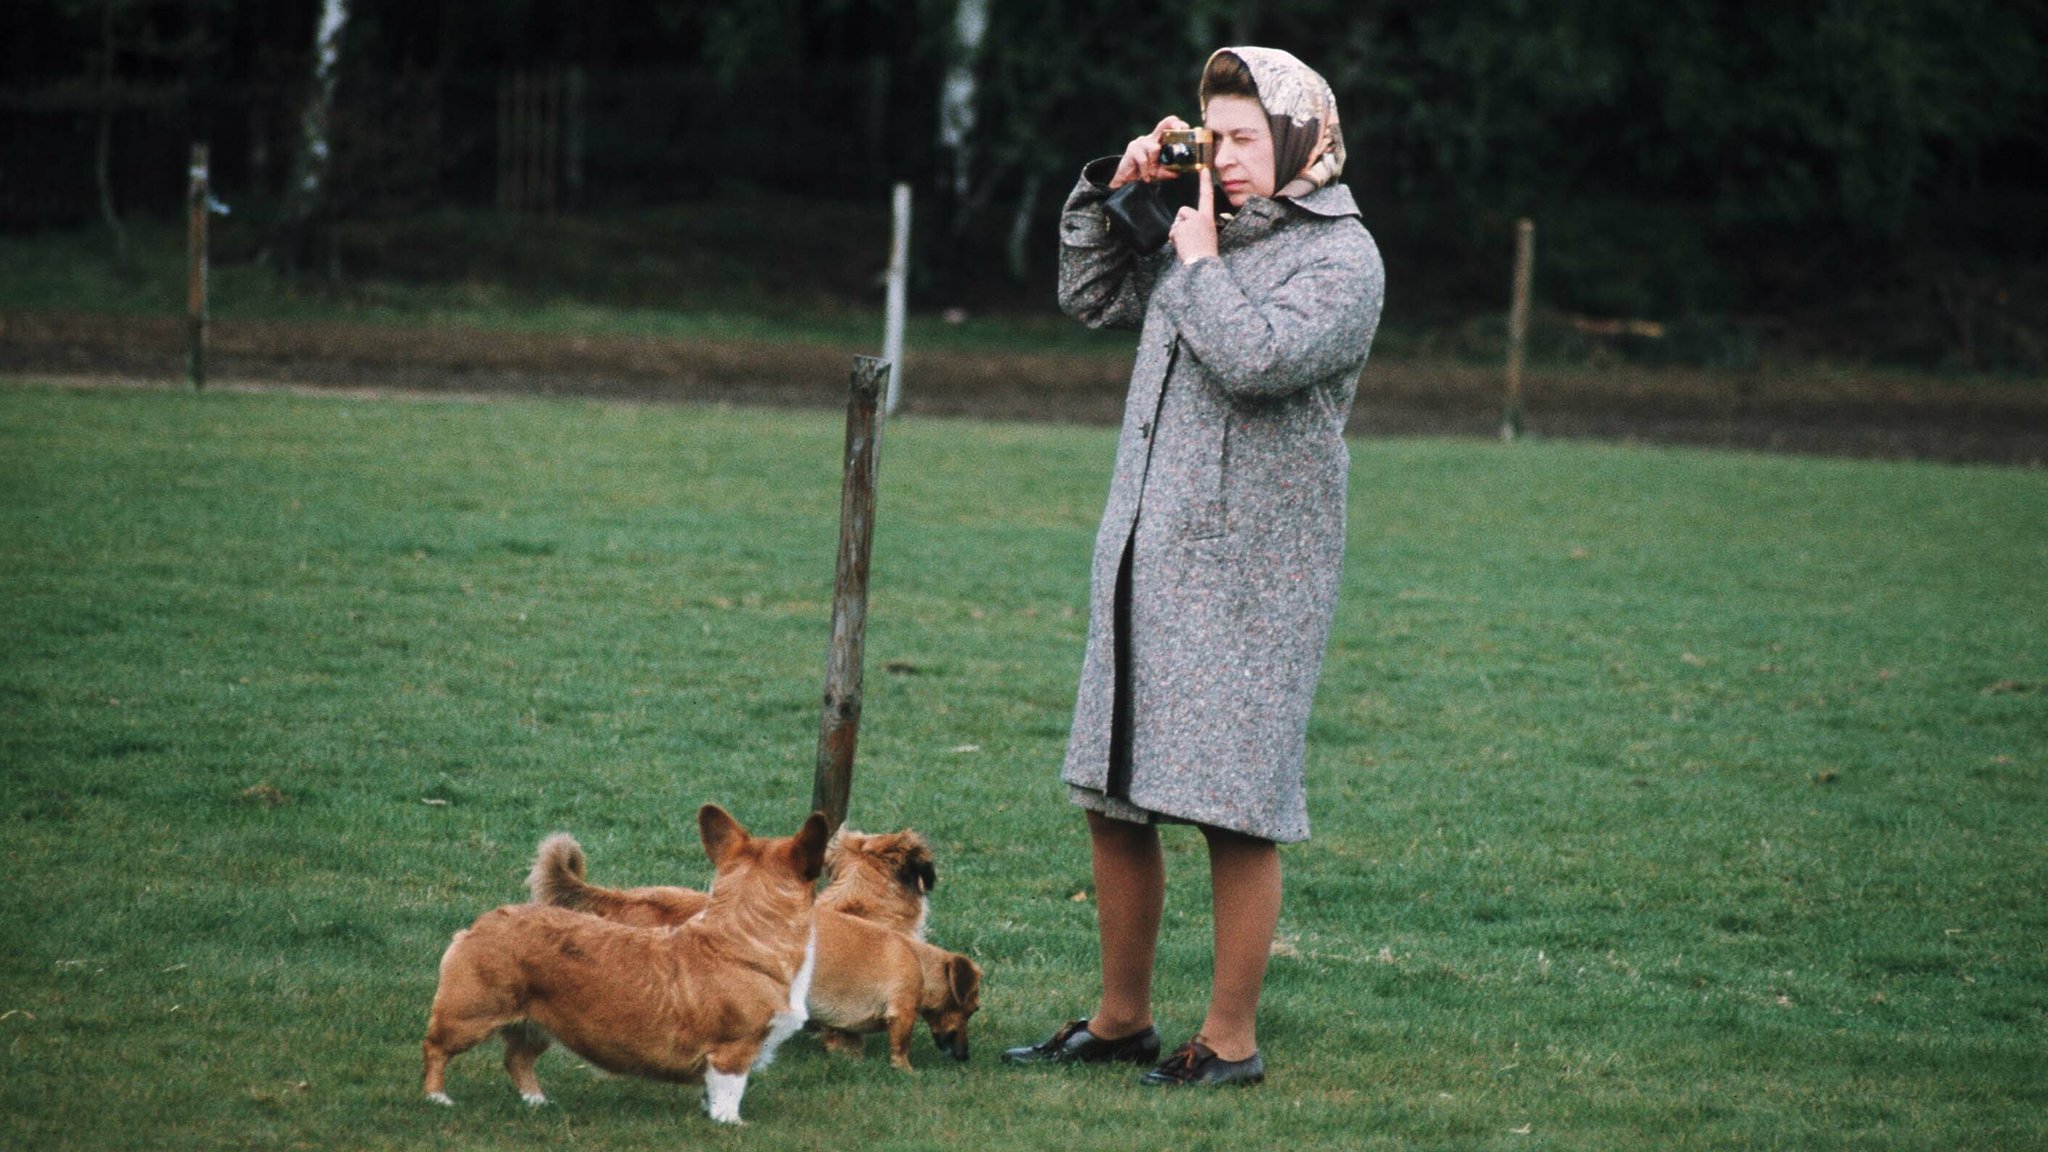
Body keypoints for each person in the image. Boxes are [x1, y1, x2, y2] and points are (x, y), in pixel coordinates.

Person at [1001, 47, 1384, 1087]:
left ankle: (1228, 1042)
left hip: (1254, 573)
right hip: (1144, 550)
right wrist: (1113, 193)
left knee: (1231, 805)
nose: (1229, 159)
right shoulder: (1192, 226)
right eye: (1215, 139)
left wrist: (1201, 256)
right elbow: (1086, 296)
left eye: (1248, 139)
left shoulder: (1339, 259)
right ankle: (1119, 1018)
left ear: (1304, 138)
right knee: (1114, 793)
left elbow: (1256, 361)